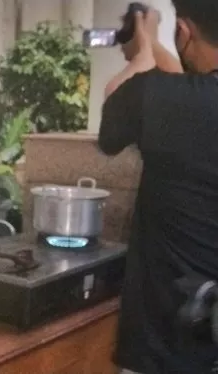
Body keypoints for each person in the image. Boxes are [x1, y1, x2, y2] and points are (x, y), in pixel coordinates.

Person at [97, 2, 218, 373]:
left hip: (167, 345)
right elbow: (190, 91)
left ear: (183, 31)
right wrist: (152, 47)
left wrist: (144, 50)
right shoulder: (178, 99)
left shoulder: (162, 97)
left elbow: (113, 120)